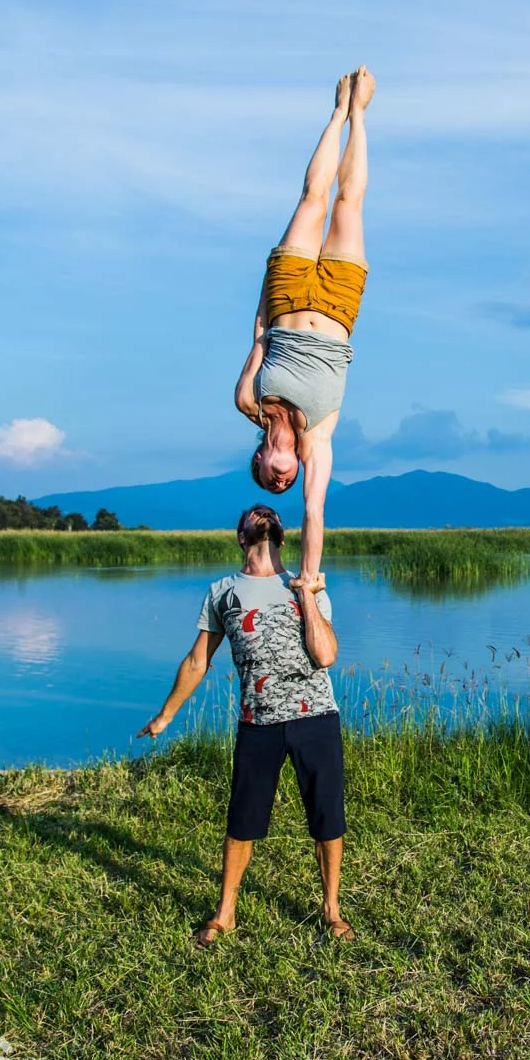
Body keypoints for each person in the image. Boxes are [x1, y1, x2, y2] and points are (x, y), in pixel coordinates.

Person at [135, 503, 353, 946]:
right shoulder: (222, 593)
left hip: (316, 719)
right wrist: (166, 715)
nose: (260, 512)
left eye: (267, 512)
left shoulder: (307, 583)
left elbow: (326, 655)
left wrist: (307, 595)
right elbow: (198, 661)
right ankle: (225, 914)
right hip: (258, 723)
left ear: (280, 535)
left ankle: (331, 911)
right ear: (240, 537)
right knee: (242, 821)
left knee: (327, 818)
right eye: (251, 514)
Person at [233, 65, 374, 595]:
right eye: (281, 484)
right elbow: (314, 512)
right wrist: (309, 579)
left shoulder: (250, 401)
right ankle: (359, 113)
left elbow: (257, 338)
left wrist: (267, 288)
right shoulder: (317, 441)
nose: (282, 481)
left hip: (288, 296)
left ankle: (336, 109)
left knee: (312, 199)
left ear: (261, 456)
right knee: (347, 203)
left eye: (272, 477)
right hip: (339, 308)